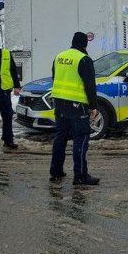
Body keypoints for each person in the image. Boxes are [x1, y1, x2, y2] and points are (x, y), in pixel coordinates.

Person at [50, 32, 100, 185]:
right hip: (77, 105)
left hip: (59, 103)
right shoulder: (84, 59)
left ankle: (56, 171)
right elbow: (90, 85)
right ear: (85, 44)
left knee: (60, 137)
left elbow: (54, 78)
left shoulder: (59, 57)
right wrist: (93, 106)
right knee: (81, 138)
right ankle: (80, 175)